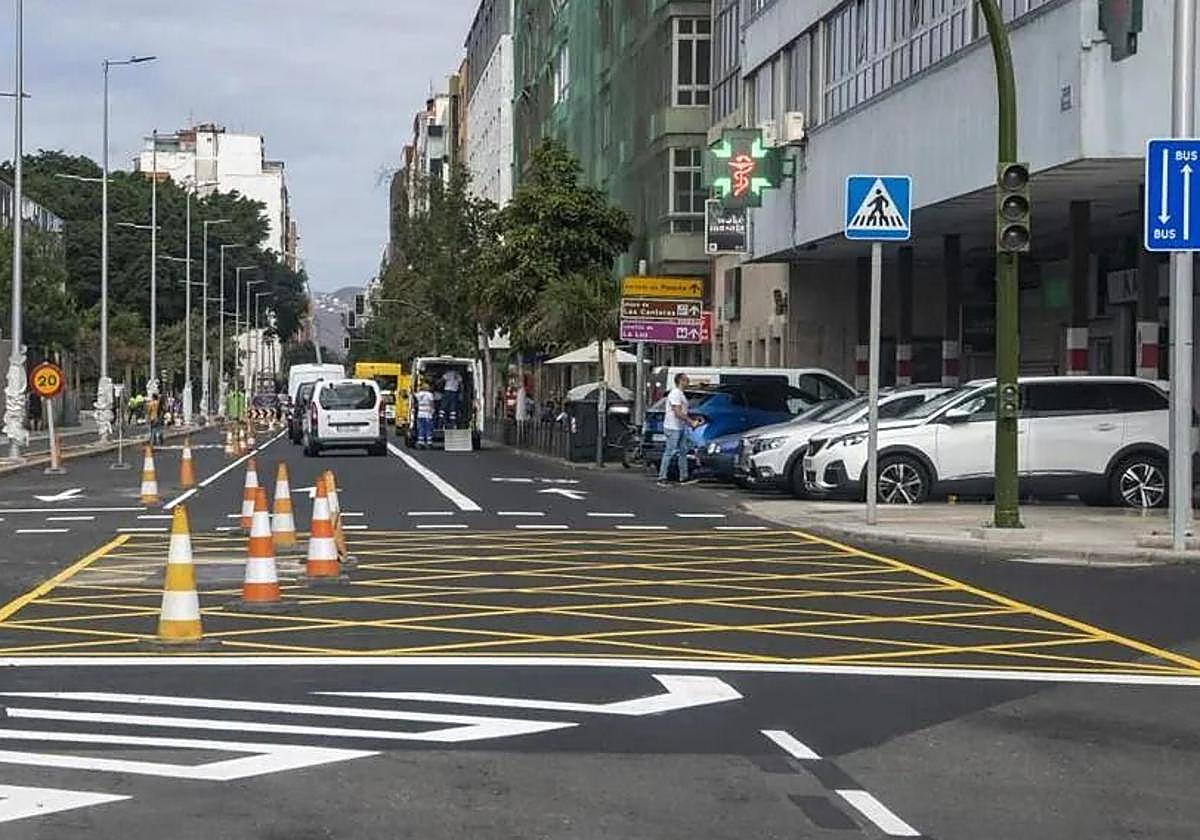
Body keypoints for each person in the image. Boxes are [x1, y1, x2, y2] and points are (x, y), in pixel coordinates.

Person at [657, 372, 697, 486]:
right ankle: (662, 477)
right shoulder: (675, 394)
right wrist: (690, 422)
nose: (688, 382)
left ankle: (683, 476)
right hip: (672, 427)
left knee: (683, 451)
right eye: (686, 380)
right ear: (680, 381)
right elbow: (677, 412)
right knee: (670, 452)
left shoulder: (681, 394)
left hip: (680, 427)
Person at [414, 379, 435, 449]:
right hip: (428, 414)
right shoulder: (430, 394)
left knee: (421, 429)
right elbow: (432, 403)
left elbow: (414, 395)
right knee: (428, 429)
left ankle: (421, 442)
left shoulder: (419, 394)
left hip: (420, 414)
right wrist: (433, 410)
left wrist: (411, 389)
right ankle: (429, 443)